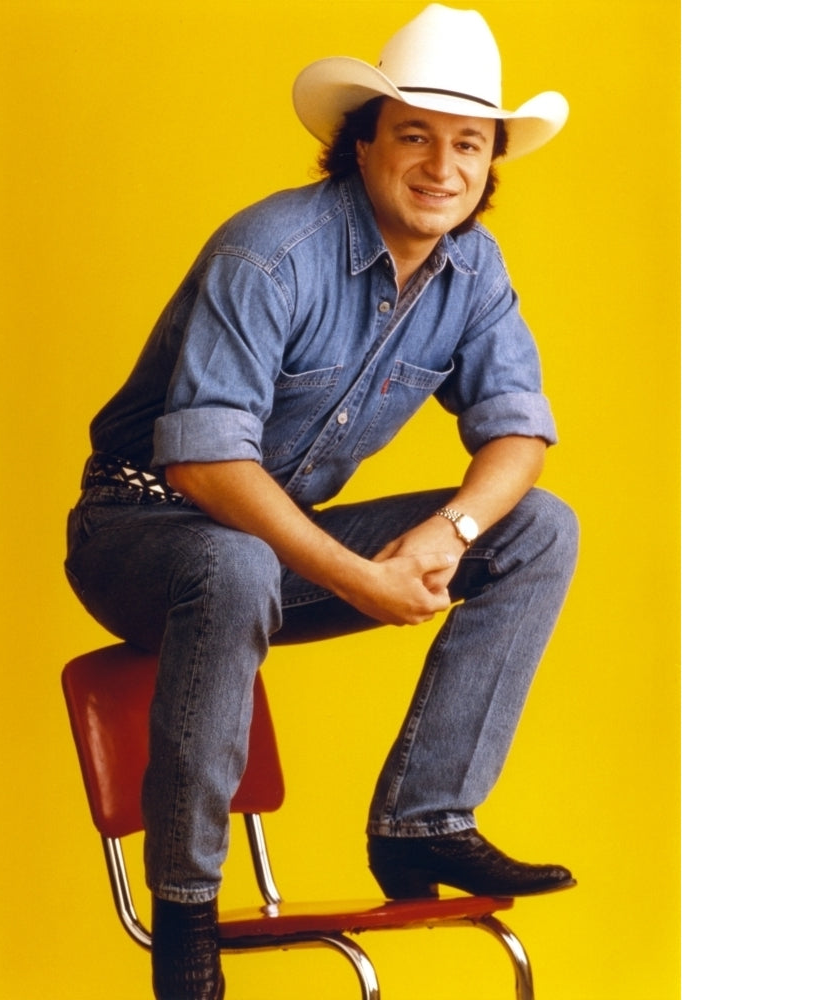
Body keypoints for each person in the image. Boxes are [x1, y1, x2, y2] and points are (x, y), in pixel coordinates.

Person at [64, 5, 579, 998]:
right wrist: (360, 578)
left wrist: (447, 530)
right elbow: (206, 469)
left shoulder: (472, 268)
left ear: (489, 163)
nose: (441, 166)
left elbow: (520, 433)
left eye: (467, 143)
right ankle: (186, 918)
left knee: (537, 527)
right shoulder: (271, 253)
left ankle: (421, 821)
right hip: (137, 530)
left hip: (267, 551)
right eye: (415, 135)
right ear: (362, 143)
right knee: (232, 557)